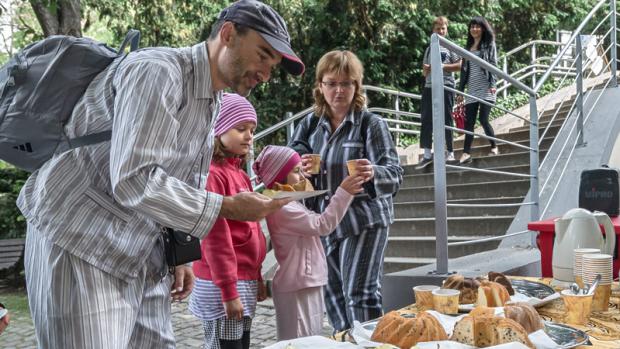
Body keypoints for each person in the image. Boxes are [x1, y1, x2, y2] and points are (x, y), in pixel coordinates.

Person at [16, 1, 304, 347]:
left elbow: (180, 179)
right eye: (262, 55)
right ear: (228, 34)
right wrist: (226, 206)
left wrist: (180, 250)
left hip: (137, 252)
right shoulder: (158, 71)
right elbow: (134, 178)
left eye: (272, 66)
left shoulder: (210, 99)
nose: (266, 73)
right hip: (79, 239)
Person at [289, 50, 403, 332]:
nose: (338, 90)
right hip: (325, 221)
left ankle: (370, 342)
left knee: (360, 293)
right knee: (333, 296)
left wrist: (374, 172)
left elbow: (395, 174)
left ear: (356, 86)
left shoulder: (370, 124)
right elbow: (291, 156)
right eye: (331, 83)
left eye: (346, 83)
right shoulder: (310, 124)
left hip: (363, 219)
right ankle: (344, 340)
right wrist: (297, 165)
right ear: (320, 86)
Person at [252, 145, 365, 340]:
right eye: (296, 171)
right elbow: (322, 225)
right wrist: (344, 192)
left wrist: (303, 177)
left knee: (310, 338)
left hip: (305, 281)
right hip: (298, 283)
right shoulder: (282, 207)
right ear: (280, 176)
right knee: (300, 341)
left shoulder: (287, 201)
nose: (301, 175)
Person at [190, 93, 266, 349]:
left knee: (239, 343)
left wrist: (257, 278)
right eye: (240, 128)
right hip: (222, 286)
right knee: (226, 345)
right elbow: (215, 239)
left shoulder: (239, 174)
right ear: (219, 131)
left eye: (252, 130)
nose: (249, 136)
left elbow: (251, 229)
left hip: (242, 281)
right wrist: (229, 292)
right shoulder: (213, 175)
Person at [416, 16, 462, 169]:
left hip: (446, 86)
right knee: (426, 119)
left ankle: (449, 151)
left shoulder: (450, 47)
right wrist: (427, 69)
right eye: (438, 29)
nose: (441, 31)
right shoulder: (429, 48)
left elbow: (460, 65)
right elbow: (423, 72)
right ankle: (427, 153)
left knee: (447, 118)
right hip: (429, 86)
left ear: (446, 30)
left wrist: (442, 66)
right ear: (433, 31)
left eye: (443, 28)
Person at [457, 16, 499, 164]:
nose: (474, 29)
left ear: (483, 28)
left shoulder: (489, 44)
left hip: (487, 86)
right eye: (472, 26)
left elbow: (493, 65)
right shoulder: (467, 47)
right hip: (472, 88)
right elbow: (463, 71)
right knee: (469, 122)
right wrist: (461, 91)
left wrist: (493, 84)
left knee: (483, 119)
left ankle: (494, 146)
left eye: (477, 26)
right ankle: (466, 153)